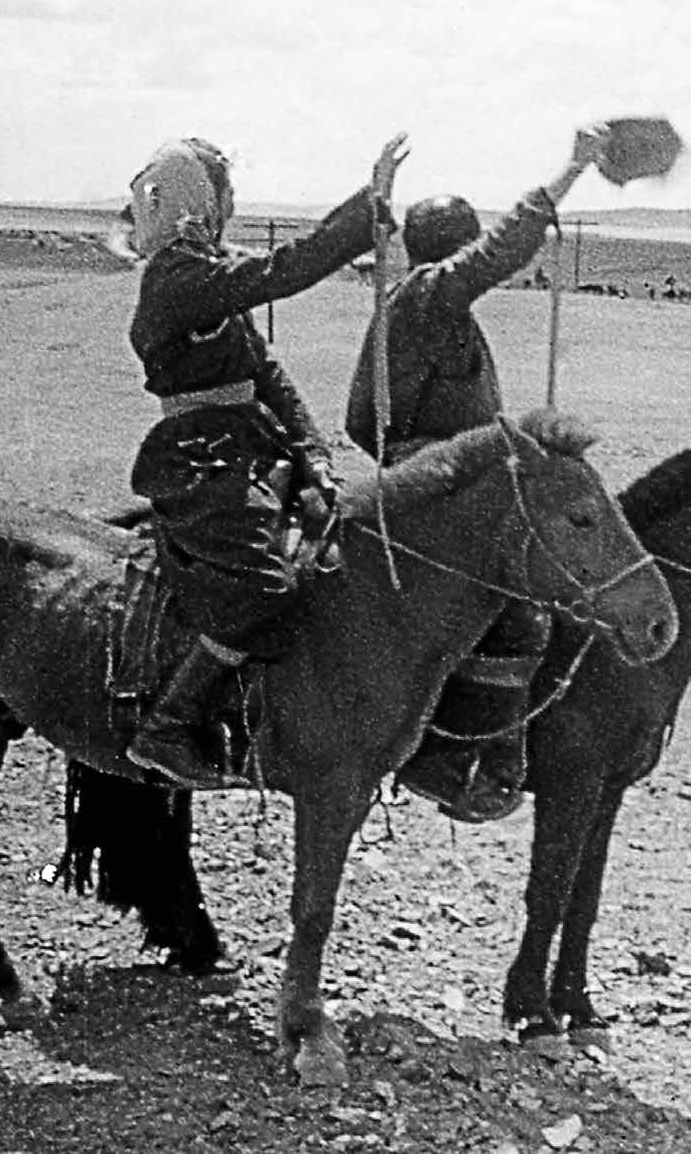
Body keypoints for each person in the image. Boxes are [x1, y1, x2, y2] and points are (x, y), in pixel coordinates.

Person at [125, 132, 407, 788]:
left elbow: (266, 371)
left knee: (337, 550)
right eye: (223, 190)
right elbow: (286, 271)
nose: (231, 201)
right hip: (200, 458)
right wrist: (371, 205)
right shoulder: (178, 278)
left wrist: (313, 451)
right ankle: (167, 724)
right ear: (199, 198)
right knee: (263, 585)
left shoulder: (203, 268)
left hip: (250, 440)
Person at [345, 125, 606, 821]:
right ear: (455, 250)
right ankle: (447, 759)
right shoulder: (432, 294)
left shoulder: (428, 304)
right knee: (516, 612)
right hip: (434, 478)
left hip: (441, 470)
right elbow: (506, 247)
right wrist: (571, 169)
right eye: (472, 247)